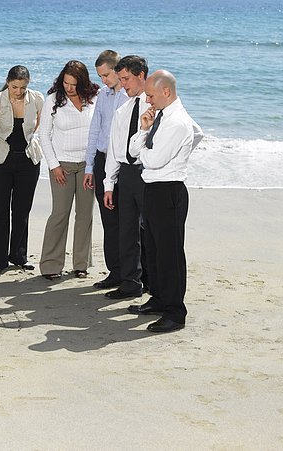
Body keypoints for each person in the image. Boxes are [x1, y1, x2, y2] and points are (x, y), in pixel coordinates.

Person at [127, 70, 204, 333]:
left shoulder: (177, 122)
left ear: (166, 92)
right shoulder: (161, 116)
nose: (147, 100)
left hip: (169, 191)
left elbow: (152, 160)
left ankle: (174, 312)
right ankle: (159, 299)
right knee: (153, 249)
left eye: (150, 95)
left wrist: (158, 156)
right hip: (153, 188)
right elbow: (133, 151)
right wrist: (144, 131)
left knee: (169, 253)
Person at [39, 60, 99, 280]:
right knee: (60, 214)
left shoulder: (94, 97)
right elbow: (44, 135)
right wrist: (54, 166)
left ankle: (81, 264)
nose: (69, 87)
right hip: (62, 166)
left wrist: (93, 166)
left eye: (74, 84)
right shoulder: (53, 100)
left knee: (85, 215)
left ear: (82, 82)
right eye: (66, 82)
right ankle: (50, 265)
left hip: (88, 166)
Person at [0, 65, 45, 274]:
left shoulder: (37, 99)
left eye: (22, 87)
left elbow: (39, 126)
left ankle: (19, 256)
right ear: (8, 83)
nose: (18, 91)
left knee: (22, 210)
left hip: (28, 160)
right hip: (1, 159)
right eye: (14, 87)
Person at [103, 55, 151, 299]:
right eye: (120, 79)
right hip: (127, 174)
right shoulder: (123, 109)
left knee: (150, 230)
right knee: (127, 230)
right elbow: (115, 149)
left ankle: (151, 281)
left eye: (126, 79)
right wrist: (109, 183)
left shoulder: (155, 106)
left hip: (149, 173)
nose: (122, 85)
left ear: (141, 75)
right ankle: (131, 282)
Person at [82, 50, 129, 289]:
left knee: (129, 221)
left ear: (118, 70)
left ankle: (133, 274)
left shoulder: (130, 97)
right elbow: (94, 131)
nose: (103, 80)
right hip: (101, 161)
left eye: (106, 75)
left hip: (123, 164)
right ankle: (115, 272)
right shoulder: (103, 95)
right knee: (109, 220)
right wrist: (89, 166)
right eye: (100, 76)